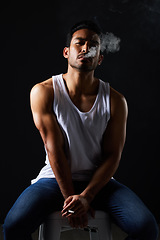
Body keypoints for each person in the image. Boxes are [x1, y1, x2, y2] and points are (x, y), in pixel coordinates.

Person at [3, 20, 159, 240]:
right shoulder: (44, 91)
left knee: (146, 227)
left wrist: (87, 196)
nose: (86, 49)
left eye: (93, 45)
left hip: (99, 183)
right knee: (13, 226)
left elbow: (112, 156)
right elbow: (53, 149)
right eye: (80, 43)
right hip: (53, 181)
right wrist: (71, 199)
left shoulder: (116, 100)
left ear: (100, 58)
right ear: (67, 52)